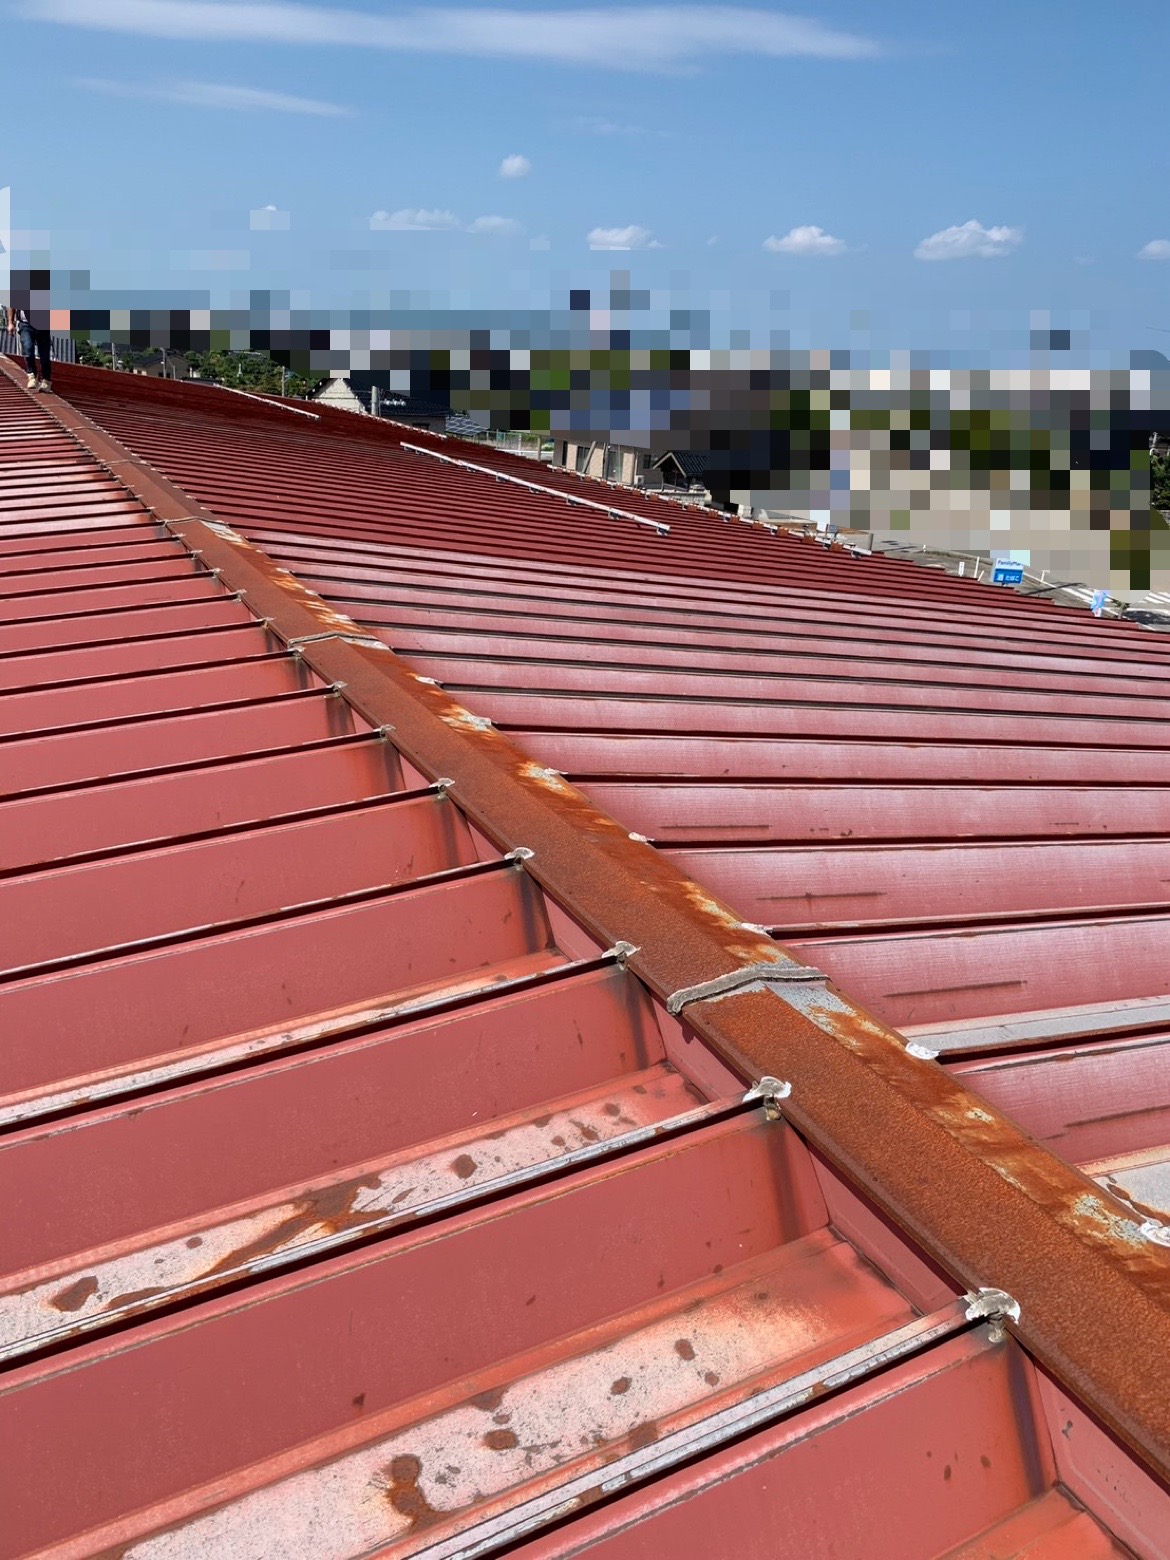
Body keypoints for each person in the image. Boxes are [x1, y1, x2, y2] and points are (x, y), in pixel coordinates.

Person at [5, 269, 53, 392]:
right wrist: (10, 323)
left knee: (44, 355)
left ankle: (46, 381)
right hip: (26, 323)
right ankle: (32, 375)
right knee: (28, 348)